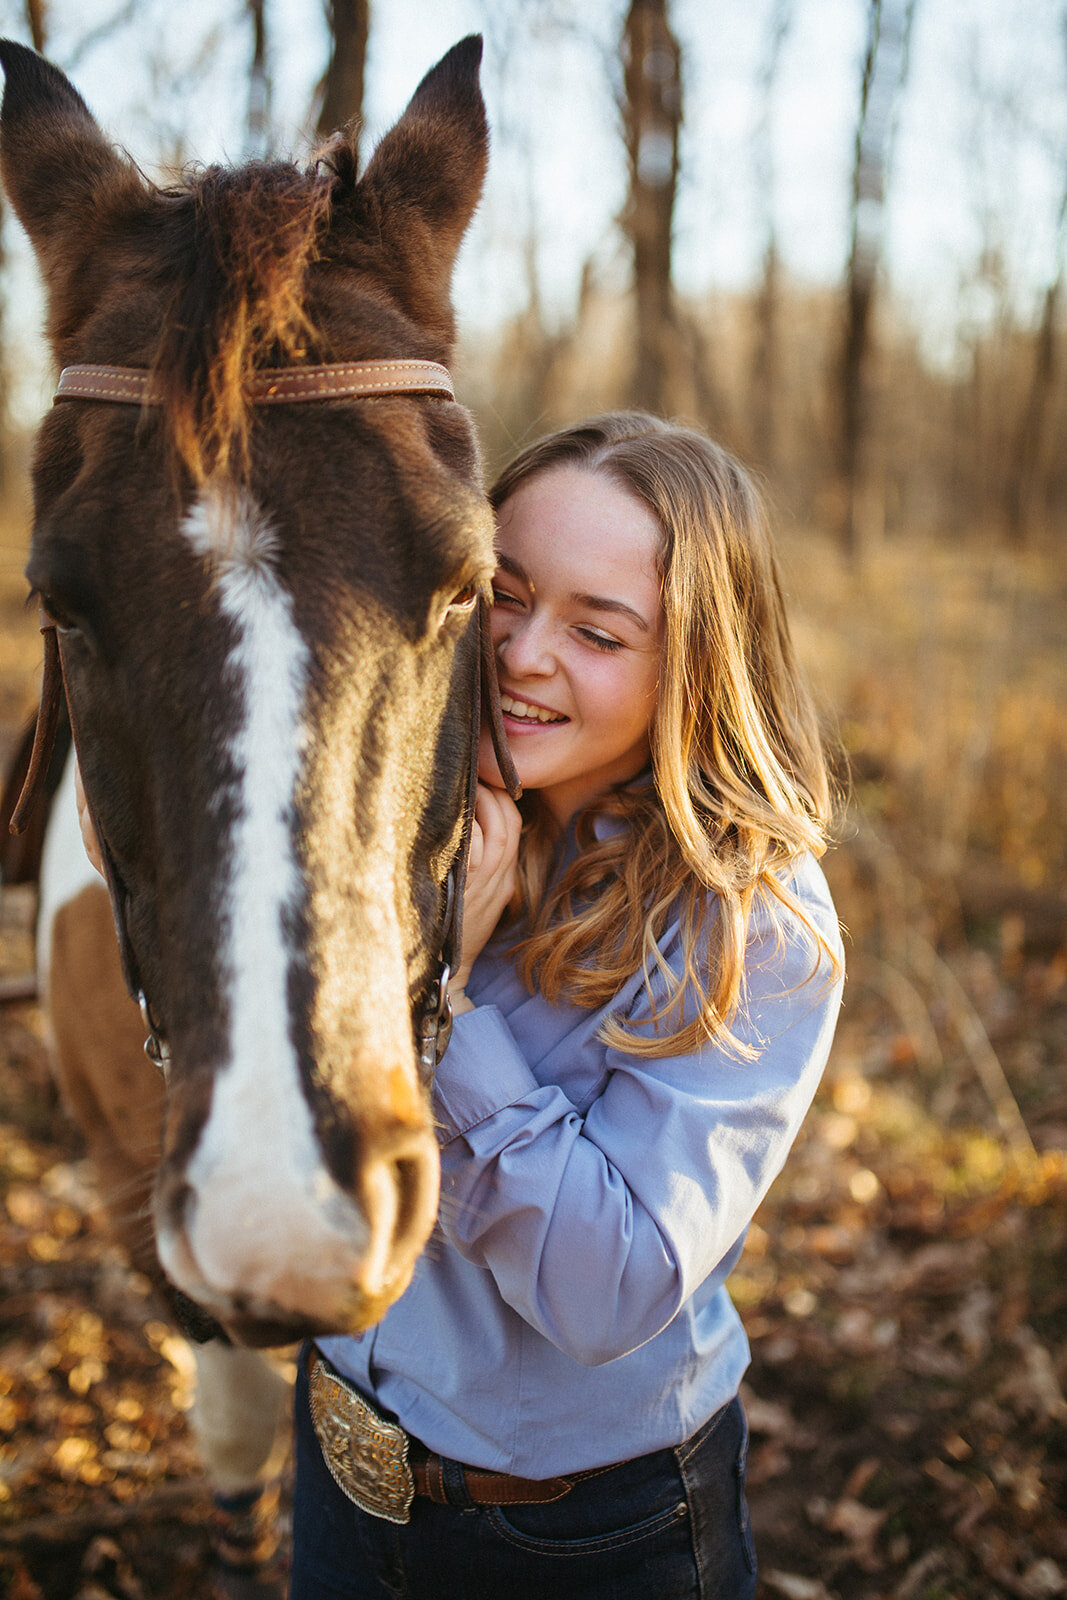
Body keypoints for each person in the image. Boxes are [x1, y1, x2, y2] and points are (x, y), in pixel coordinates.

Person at [290, 411, 844, 1600]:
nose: (522, 652)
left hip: (579, 1538)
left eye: (596, 632)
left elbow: (609, 1290)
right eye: (504, 592)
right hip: (334, 1461)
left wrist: (437, 986)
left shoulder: (749, 922)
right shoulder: (392, 808)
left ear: (696, 661)